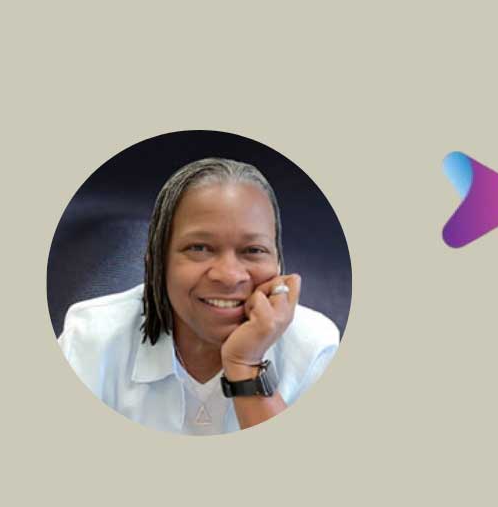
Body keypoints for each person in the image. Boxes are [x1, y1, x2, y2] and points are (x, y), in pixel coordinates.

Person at [57, 158, 340, 434]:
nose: (229, 276)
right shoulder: (92, 342)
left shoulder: (313, 349)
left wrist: (246, 365)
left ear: (278, 265)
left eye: (253, 250)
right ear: (157, 260)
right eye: (199, 248)